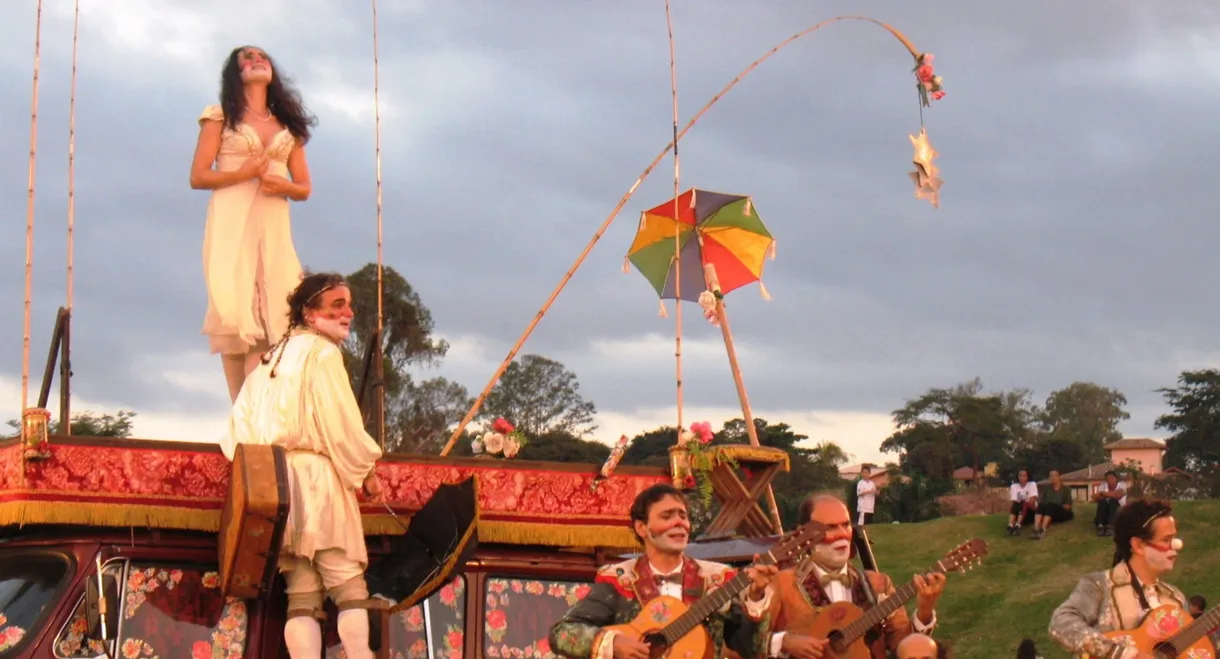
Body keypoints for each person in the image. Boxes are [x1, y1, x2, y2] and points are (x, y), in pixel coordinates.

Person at [220, 272, 384, 659]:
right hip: (317, 478)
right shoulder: (322, 353)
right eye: (337, 304)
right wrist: (367, 473)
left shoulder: (269, 358)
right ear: (309, 313)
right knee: (347, 585)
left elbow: (237, 433)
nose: (348, 312)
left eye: (349, 304)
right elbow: (341, 422)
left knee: (302, 592)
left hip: (277, 483)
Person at [191, 45, 317, 402]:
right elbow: (198, 176)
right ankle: (240, 411)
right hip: (232, 221)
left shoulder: (288, 127)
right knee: (234, 312)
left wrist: (284, 186)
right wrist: (244, 173)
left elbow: (305, 187)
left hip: (273, 224)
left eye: (262, 56)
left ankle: (262, 409)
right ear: (235, 72)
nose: (256, 60)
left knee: (276, 309)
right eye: (246, 58)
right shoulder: (220, 118)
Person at [548, 483, 777, 659]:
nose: (679, 523)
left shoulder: (717, 578)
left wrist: (756, 596)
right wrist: (613, 643)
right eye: (667, 516)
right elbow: (561, 634)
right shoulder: (619, 578)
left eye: (683, 516)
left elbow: (752, 650)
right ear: (642, 528)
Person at [766, 494, 945, 659]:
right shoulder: (782, 584)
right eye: (830, 527)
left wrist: (925, 611)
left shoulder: (878, 584)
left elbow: (904, 647)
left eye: (846, 525)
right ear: (804, 533)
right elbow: (746, 643)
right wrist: (784, 642)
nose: (842, 534)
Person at [1048, 498, 1187, 659]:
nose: (1177, 545)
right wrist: (1121, 653)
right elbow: (1061, 622)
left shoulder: (1176, 598)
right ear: (1138, 545)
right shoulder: (1099, 585)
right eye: (1166, 540)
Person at [1031, 469, 1074, 539]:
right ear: (1049, 478)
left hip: (1063, 513)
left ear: (1059, 477)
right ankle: (1036, 529)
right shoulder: (1046, 488)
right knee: (1041, 505)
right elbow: (1042, 502)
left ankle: (1042, 530)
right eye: (1051, 476)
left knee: (1051, 505)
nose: (1053, 477)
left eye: (1055, 475)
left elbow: (1067, 506)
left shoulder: (1066, 489)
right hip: (1049, 513)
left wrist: (1057, 505)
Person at [1091, 471, 1127, 537]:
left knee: (1113, 500)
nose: (1110, 480)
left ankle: (1110, 527)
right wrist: (1113, 494)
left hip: (1118, 510)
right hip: (1106, 511)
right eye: (1108, 478)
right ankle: (1100, 526)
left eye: (1112, 478)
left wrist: (1103, 493)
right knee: (1102, 501)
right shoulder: (1103, 486)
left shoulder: (1122, 485)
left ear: (1116, 479)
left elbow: (1119, 495)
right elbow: (1094, 497)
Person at [1007, 469, 1039, 536]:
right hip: (1019, 512)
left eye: (1024, 476)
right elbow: (1014, 501)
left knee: (1023, 503)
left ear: (1028, 477)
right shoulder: (1014, 486)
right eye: (1020, 476)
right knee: (1016, 504)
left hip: (1030, 512)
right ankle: (1010, 526)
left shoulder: (1032, 484)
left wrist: (1023, 502)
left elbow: (1032, 502)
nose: (1022, 478)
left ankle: (1018, 525)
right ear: (1017, 477)